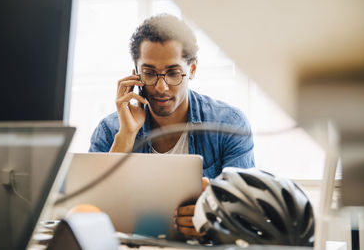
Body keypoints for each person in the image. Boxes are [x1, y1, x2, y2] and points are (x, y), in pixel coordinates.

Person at [89, 13, 255, 238]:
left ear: (192, 70)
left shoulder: (229, 125)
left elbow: (244, 215)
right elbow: (90, 216)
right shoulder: (110, 130)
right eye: (149, 73)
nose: (161, 87)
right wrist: (126, 135)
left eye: (173, 73)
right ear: (135, 73)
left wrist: (211, 219)